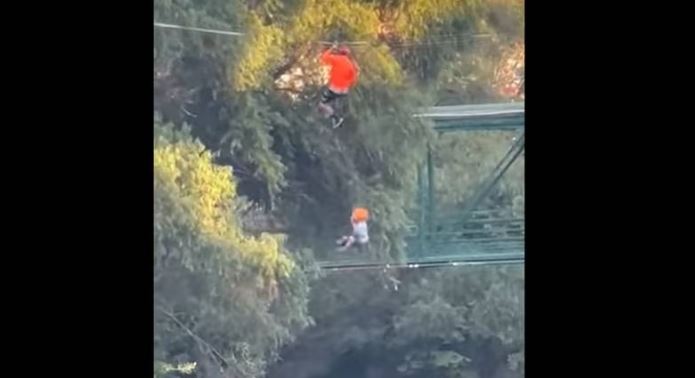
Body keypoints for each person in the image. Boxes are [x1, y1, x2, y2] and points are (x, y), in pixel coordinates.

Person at [318, 43, 359, 128]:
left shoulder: (336, 59)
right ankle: (335, 117)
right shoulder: (350, 64)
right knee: (332, 102)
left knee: (322, 104)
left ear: (339, 52)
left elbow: (323, 58)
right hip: (344, 91)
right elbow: (353, 80)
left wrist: (331, 48)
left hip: (334, 89)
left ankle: (336, 118)